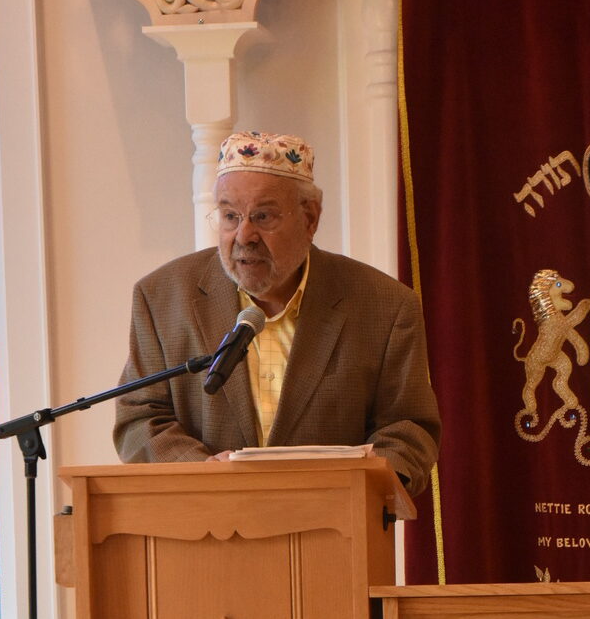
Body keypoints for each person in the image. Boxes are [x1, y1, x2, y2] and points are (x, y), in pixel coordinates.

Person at [113, 131, 440, 495]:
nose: (244, 235)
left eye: (263, 216)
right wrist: (202, 473)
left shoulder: (384, 305)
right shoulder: (162, 297)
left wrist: (353, 485)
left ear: (310, 218)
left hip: (330, 532)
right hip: (202, 530)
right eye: (230, 216)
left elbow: (408, 428)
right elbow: (140, 418)